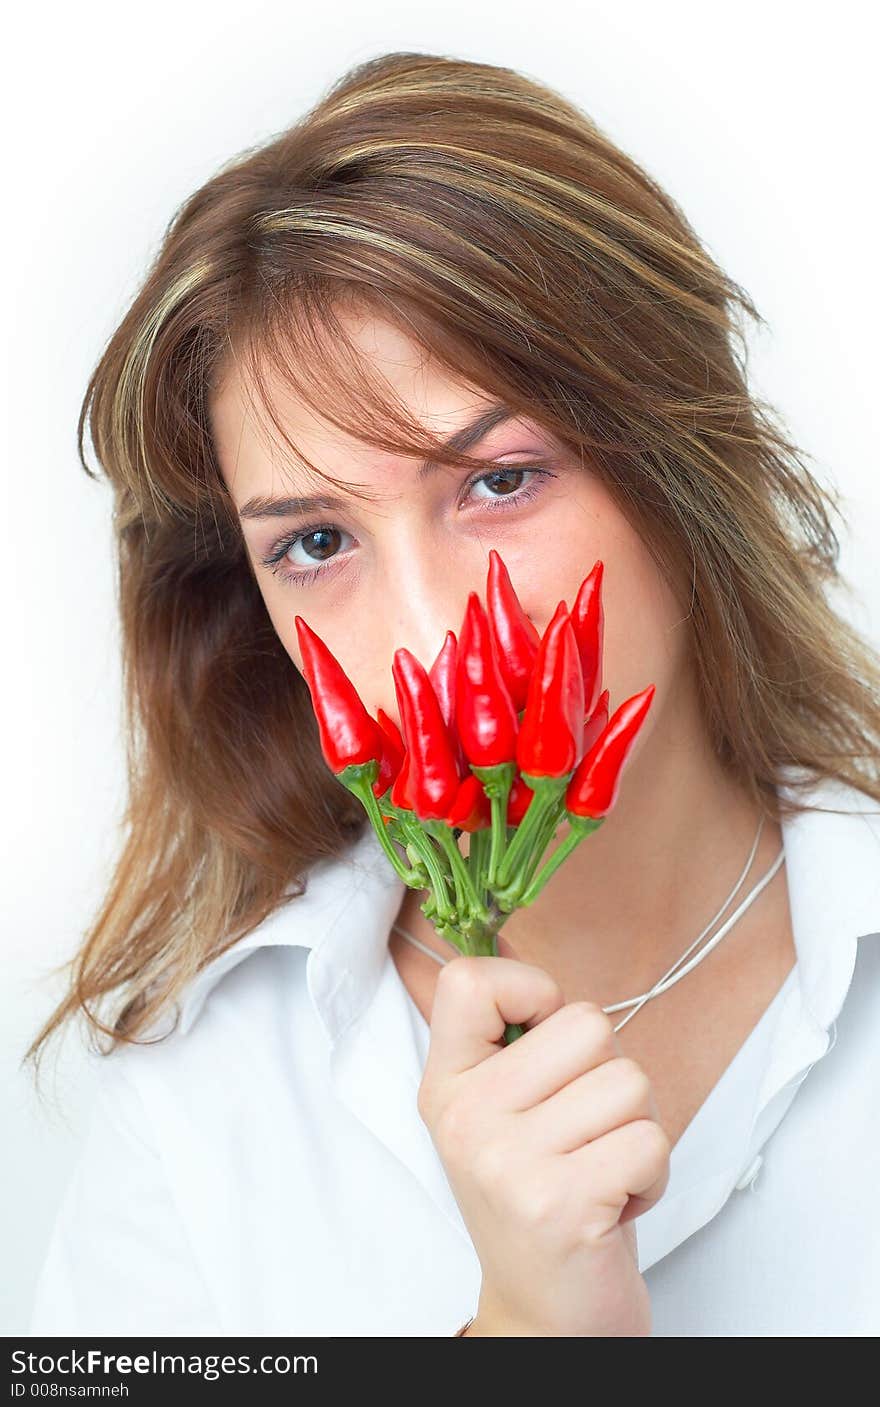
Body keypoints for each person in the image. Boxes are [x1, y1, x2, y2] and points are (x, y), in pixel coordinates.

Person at [24, 51, 880, 1337]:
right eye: (314, 543)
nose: (426, 634)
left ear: (673, 461)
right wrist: (524, 1337)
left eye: (497, 481)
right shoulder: (199, 1109)